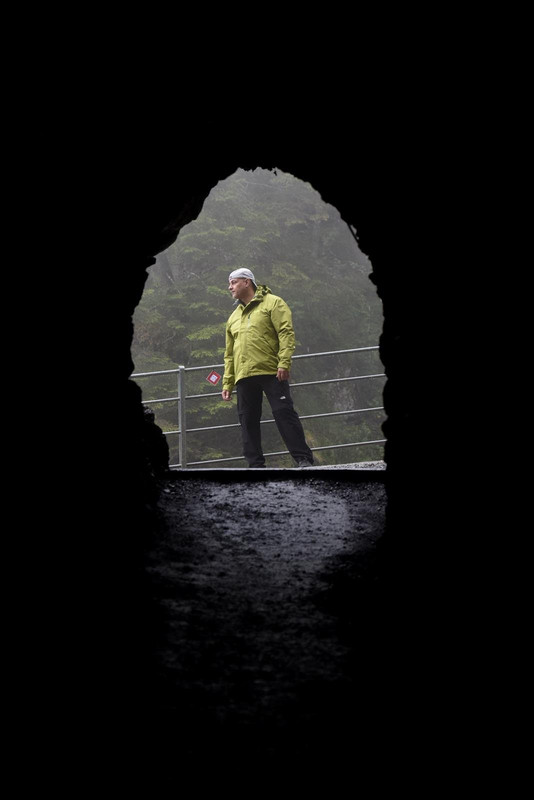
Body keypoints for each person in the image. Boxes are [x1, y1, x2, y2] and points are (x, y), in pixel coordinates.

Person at [221, 267, 314, 468]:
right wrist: (227, 382)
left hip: (272, 371)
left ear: (247, 282)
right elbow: (229, 354)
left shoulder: (273, 303)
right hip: (244, 375)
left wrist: (284, 362)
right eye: (229, 284)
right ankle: (255, 465)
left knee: (284, 413)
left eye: (233, 282)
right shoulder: (233, 317)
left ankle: (303, 459)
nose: (230, 287)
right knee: (247, 420)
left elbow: (286, 333)